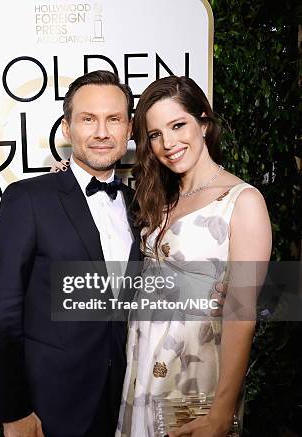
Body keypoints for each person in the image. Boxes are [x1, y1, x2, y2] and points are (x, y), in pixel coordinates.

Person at [0, 70, 142, 437]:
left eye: (113, 119)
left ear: (130, 128)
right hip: (52, 408)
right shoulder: (29, 199)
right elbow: (2, 315)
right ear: (68, 129)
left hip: (128, 404)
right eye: (88, 119)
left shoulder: (139, 206)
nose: (102, 132)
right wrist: (14, 412)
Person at [115, 76, 272, 437]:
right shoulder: (160, 197)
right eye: (155, 134)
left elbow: (241, 313)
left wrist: (222, 412)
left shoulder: (242, 202)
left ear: (203, 121)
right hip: (141, 368)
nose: (168, 143)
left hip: (193, 377)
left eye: (178, 125)